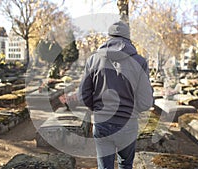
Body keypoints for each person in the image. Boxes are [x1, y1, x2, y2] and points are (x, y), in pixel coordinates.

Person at [61, 21, 153, 169]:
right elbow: (146, 102)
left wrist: (97, 109)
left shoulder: (93, 60)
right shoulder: (140, 61)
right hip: (128, 123)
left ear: (109, 37)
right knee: (125, 164)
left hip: (102, 122)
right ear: (128, 38)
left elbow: (83, 95)